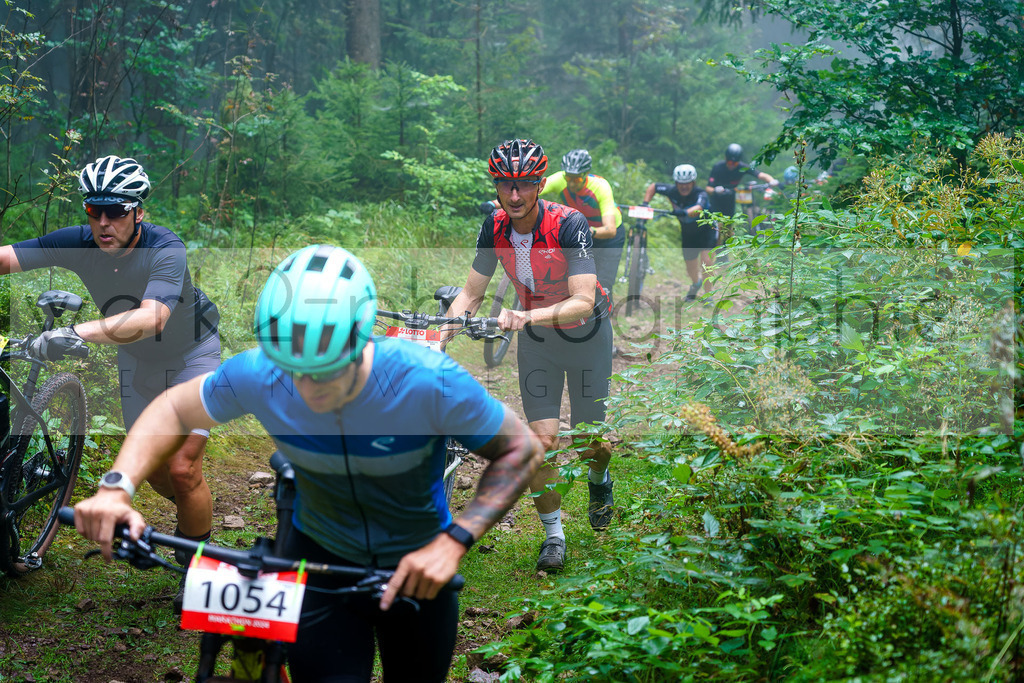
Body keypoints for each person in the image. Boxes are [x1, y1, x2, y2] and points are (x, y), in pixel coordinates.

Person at [68, 245, 543, 682]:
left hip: (418, 563)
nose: (308, 385)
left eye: (326, 369)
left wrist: (455, 541)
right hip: (319, 557)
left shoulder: (427, 381)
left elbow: (521, 448)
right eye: (293, 369)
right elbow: (173, 408)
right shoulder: (261, 372)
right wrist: (115, 488)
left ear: (360, 341)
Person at [0, 155, 221, 596]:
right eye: (94, 210)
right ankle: (192, 518)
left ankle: (199, 564)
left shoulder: (165, 247)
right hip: (138, 359)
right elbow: (6, 258)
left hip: (191, 353)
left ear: (139, 212)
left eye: (116, 211)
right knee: (156, 471)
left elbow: (152, 318)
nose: (104, 223)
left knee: (182, 466)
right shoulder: (79, 241)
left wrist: (72, 332)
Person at [449, 138, 615, 574]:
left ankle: (599, 478)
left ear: (540, 184)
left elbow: (582, 301)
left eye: (524, 184)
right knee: (542, 444)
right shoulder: (495, 227)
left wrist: (526, 315)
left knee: (589, 444)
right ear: (496, 186)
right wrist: (440, 335)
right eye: (505, 184)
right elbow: (470, 293)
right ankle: (554, 536)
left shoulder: (569, 223)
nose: (514, 194)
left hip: (586, 337)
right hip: (539, 343)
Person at [642, 163, 712, 301]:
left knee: (707, 263)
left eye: (687, 183)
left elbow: (699, 207)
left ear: (693, 183)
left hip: (706, 231)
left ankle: (708, 295)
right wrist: (645, 203)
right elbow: (653, 186)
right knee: (690, 268)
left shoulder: (700, 193)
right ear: (676, 183)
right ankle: (695, 284)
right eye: (680, 183)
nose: (684, 186)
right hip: (688, 233)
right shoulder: (671, 191)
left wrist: (684, 212)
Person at [706, 143, 778, 258]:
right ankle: (716, 254)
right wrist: (715, 190)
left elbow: (760, 174)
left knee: (728, 229)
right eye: (730, 162)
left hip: (730, 201)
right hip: (716, 201)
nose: (732, 165)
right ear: (726, 159)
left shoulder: (742, 167)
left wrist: (771, 180)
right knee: (719, 228)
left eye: (735, 163)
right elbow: (708, 189)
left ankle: (725, 255)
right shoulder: (718, 167)